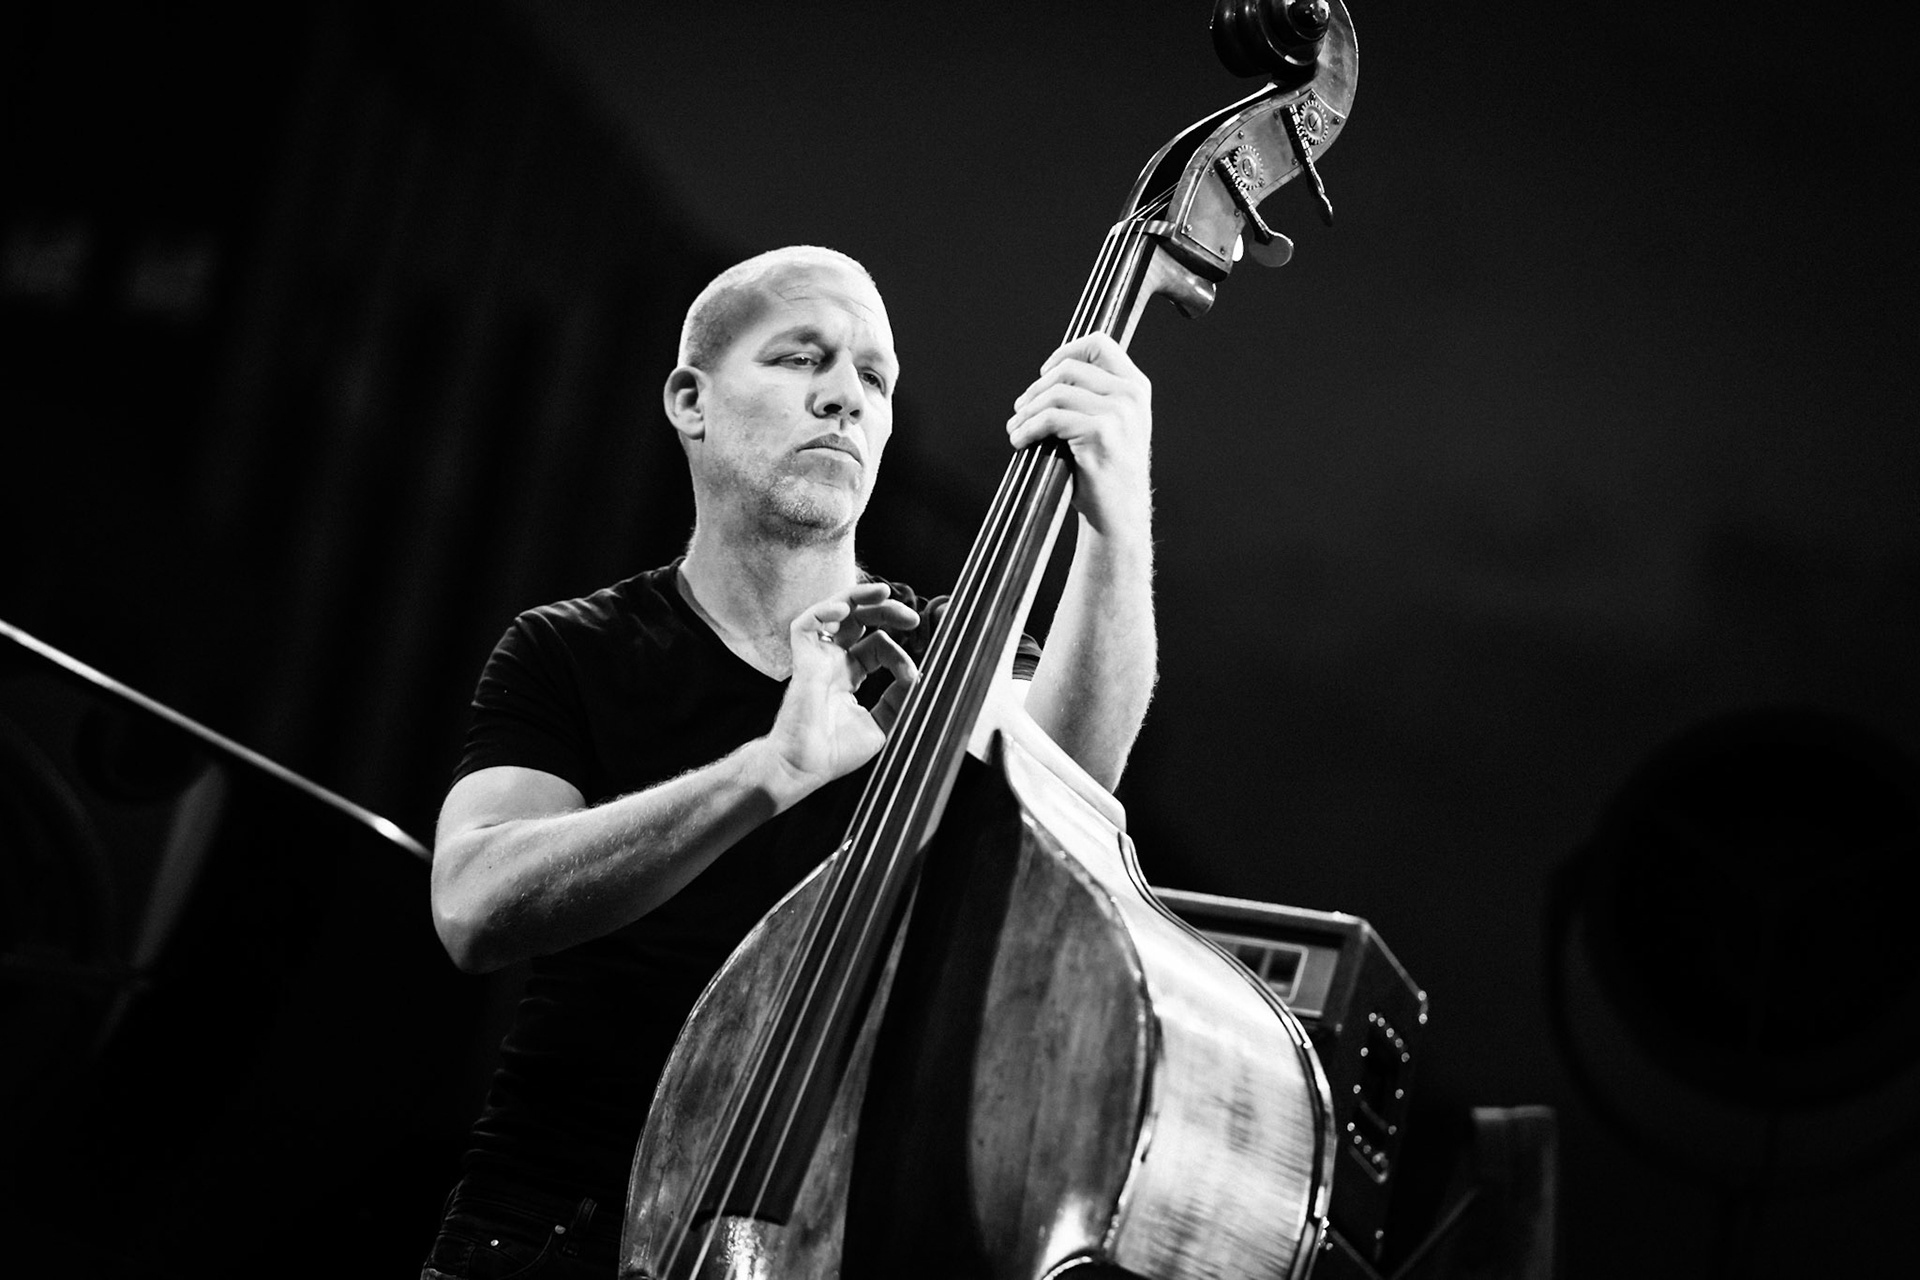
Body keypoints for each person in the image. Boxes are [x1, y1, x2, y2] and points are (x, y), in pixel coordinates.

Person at [419, 244, 1157, 1279]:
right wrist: (768, 769)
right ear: (691, 399)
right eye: (801, 357)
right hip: (545, 1230)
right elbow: (472, 903)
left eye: (874, 377)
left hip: (832, 1246)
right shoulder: (569, 646)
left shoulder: (947, 656)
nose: (844, 397)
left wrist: (1115, 523)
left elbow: (1075, 786)